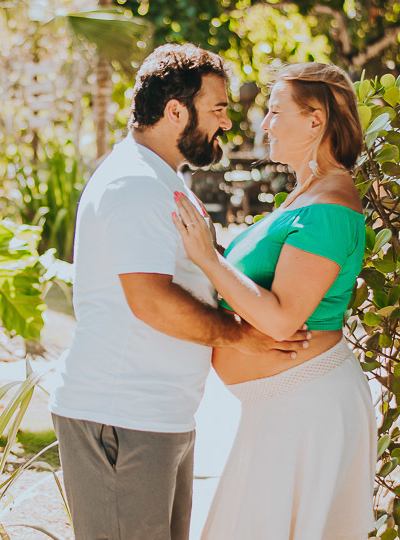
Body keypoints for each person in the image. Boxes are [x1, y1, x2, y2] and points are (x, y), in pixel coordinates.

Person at [48, 44, 311, 540]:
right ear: (175, 111)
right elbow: (149, 300)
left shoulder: (163, 179)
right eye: (217, 109)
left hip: (159, 417)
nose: (227, 124)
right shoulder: (133, 183)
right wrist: (242, 336)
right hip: (120, 418)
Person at [172, 62, 376, 539]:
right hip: (285, 406)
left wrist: (208, 259)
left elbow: (283, 320)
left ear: (315, 120)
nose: (264, 124)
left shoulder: (331, 204)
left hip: (307, 405)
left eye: (274, 110)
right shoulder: (306, 195)